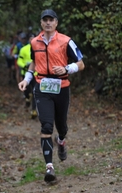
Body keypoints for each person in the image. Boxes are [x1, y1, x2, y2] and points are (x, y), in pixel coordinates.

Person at [18, 9, 84, 183]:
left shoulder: (66, 41)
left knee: (61, 126)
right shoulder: (34, 42)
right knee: (46, 125)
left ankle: (61, 141)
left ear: (56, 23)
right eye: (45, 20)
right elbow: (33, 63)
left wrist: (67, 69)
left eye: (51, 20)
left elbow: (81, 63)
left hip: (61, 86)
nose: (48, 23)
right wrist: (26, 79)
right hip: (42, 86)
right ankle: (49, 168)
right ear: (41, 23)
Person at [17, 33, 37, 119]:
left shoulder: (39, 49)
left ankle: (34, 110)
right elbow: (19, 61)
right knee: (27, 90)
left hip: (36, 74)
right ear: (29, 40)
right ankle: (27, 98)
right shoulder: (23, 49)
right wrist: (25, 65)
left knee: (35, 92)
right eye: (31, 39)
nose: (32, 41)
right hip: (25, 73)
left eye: (34, 39)